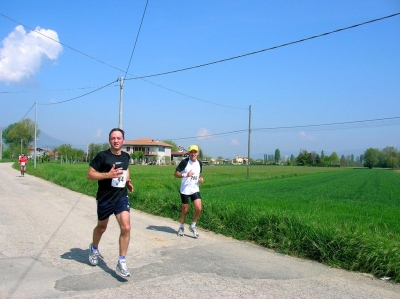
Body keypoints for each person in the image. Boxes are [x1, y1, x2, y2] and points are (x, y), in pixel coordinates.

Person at [86, 128, 134, 277]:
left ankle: (122, 261)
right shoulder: (102, 156)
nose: (116, 140)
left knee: (126, 227)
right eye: (113, 138)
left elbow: (126, 170)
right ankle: (94, 248)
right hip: (105, 198)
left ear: (123, 140)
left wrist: (128, 181)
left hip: (120, 197)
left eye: (119, 138)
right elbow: (89, 175)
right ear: (109, 140)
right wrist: (108, 174)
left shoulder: (126, 156)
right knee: (101, 228)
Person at [174, 144, 204, 238]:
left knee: (199, 208)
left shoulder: (199, 163)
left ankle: (193, 225)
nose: (193, 154)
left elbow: (198, 175)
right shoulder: (184, 162)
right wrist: (186, 175)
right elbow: (175, 174)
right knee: (185, 210)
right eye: (191, 152)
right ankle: (181, 227)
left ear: (198, 153)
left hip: (195, 188)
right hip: (185, 190)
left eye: (195, 152)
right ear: (189, 153)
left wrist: (200, 179)